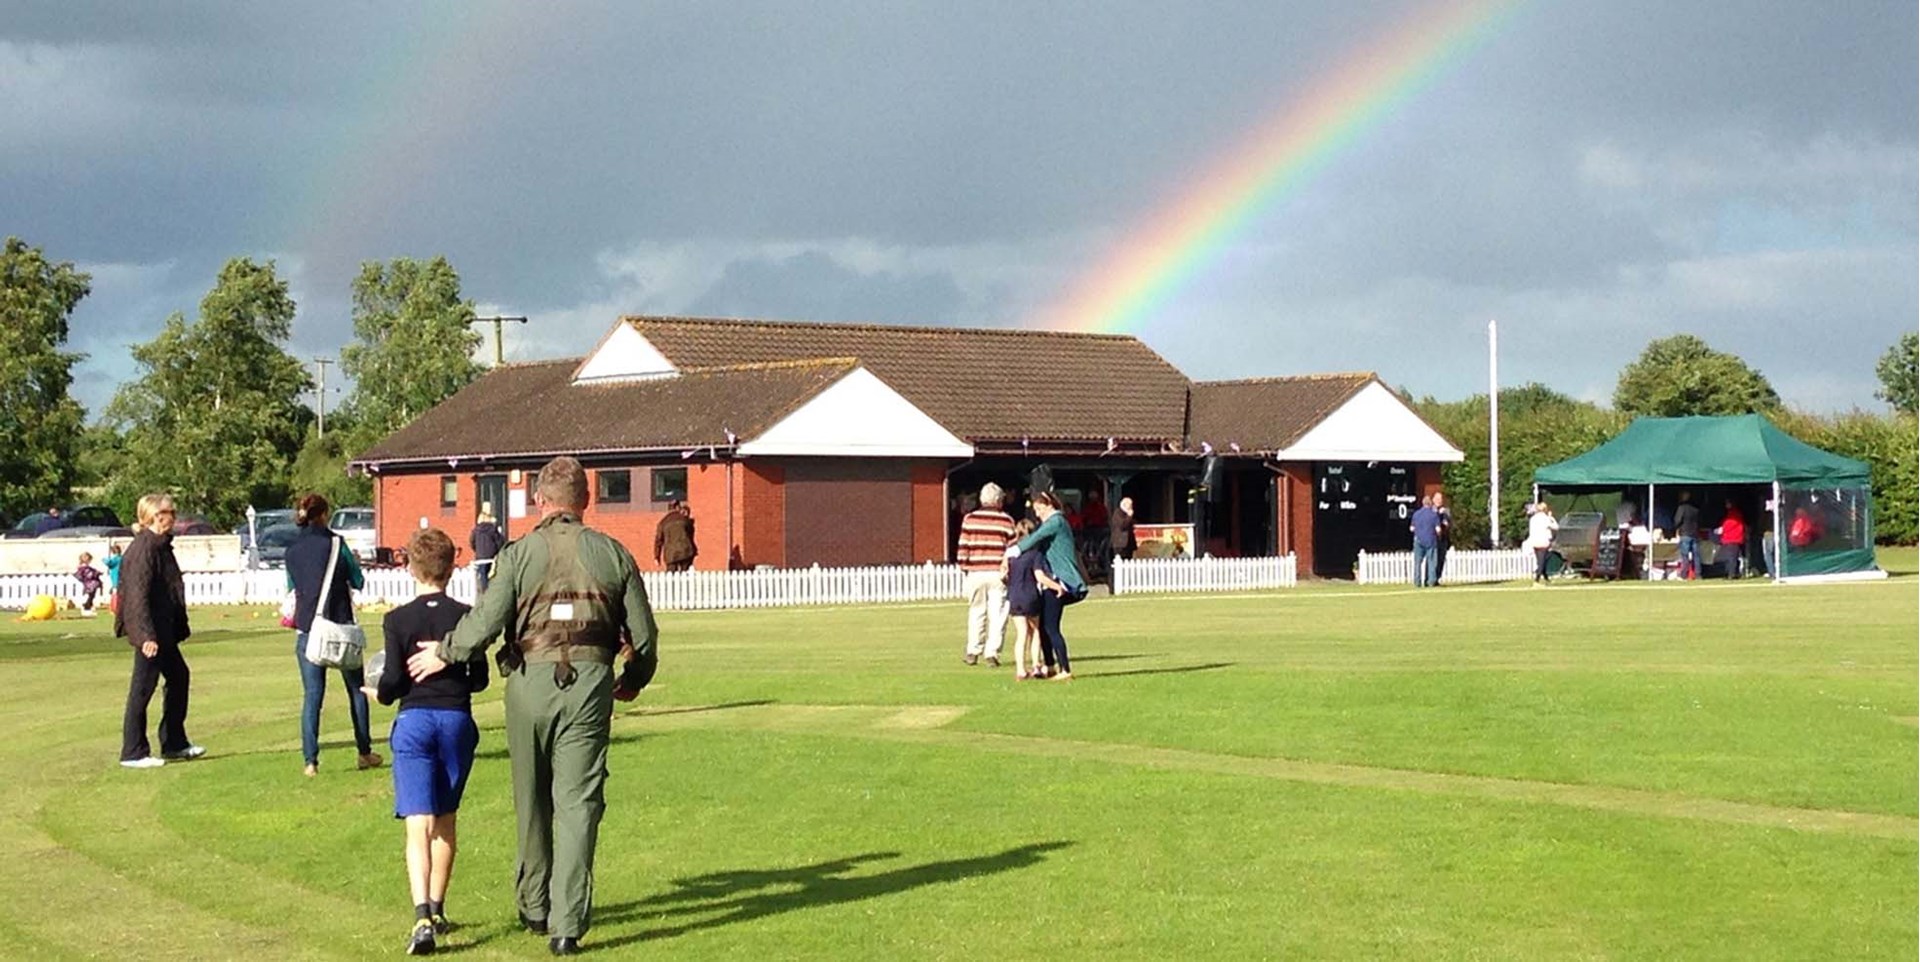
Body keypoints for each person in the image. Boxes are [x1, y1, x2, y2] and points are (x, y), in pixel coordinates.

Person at [407, 456, 658, 956]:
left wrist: (446, 651)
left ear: (540, 501)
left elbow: (486, 620)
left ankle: (534, 903)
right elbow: (645, 636)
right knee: (579, 802)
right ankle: (567, 924)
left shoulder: (519, 554)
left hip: (528, 681)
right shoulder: (614, 553)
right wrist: (632, 678)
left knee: (532, 797)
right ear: (585, 499)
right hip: (589, 683)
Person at [364, 528, 490, 956]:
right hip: (455, 717)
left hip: (415, 719)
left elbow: (395, 680)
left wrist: (379, 693)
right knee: (447, 819)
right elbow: (480, 680)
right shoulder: (467, 616)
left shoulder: (397, 620)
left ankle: (420, 916)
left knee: (418, 822)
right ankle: (438, 907)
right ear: (452, 567)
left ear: (409, 567)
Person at [286, 492, 382, 777]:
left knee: (313, 696)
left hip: (308, 629)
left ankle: (310, 761)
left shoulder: (291, 550)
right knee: (356, 691)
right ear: (324, 514)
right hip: (339, 626)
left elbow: (291, 585)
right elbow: (358, 580)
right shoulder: (336, 544)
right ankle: (364, 751)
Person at [116, 493, 204, 768]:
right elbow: (136, 596)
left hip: (163, 629)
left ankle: (174, 743)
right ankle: (133, 752)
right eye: (170, 512)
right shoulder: (144, 549)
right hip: (151, 633)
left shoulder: (161, 546)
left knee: (179, 677)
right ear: (155, 516)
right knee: (142, 689)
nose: (174, 517)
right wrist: (145, 636)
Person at [1009, 491, 1086, 681]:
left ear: (1048, 504)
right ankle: (1050, 666)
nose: (1037, 513)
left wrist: (1015, 549)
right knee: (1043, 625)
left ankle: (1065, 670)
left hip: (1062, 581)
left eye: (1038, 509)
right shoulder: (1053, 523)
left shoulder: (1056, 521)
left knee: (1051, 627)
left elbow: (1036, 537)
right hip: (1054, 581)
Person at [956, 483, 1016, 667]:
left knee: (976, 612)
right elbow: (1012, 550)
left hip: (976, 571)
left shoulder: (970, 519)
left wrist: (964, 566)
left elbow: (963, 546)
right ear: (998, 500)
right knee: (998, 614)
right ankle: (992, 653)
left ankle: (973, 651)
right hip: (998, 572)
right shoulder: (1006, 520)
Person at [1003, 518, 1052, 679]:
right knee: (1036, 631)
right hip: (1031, 595)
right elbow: (1040, 576)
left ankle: (1020, 670)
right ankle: (1036, 665)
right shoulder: (1035, 554)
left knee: (1021, 633)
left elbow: (1003, 574)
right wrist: (1056, 586)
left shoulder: (1010, 553)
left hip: (1015, 596)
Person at [470, 504, 505, 593]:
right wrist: (498, 551)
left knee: (482, 579)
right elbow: (500, 541)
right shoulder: (493, 529)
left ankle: (484, 593)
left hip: (480, 558)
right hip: (491, 557)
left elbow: (472, 542)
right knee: (492, 577)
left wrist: (477, 550)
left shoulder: (475, 530)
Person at [654, 500, 697, 572]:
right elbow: (691, 533)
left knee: (671, 577)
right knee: (685, 575)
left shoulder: (663, 522)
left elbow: (658, 541)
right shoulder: (684, 519)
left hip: (670, 555)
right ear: (677, 507)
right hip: (686, 551)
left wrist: (657, 556)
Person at [1409, 495, 1441, 588]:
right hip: (1431, 540)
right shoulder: (1433, 515)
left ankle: (1417, 582)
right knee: (1431, 562)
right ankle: (1431, 581)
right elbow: (1438, 529)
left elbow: (1411, 528)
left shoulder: (1416, 514)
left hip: (1418, 540)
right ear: (1430, 503)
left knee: (1417, 562)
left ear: (1422, 503)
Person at [1526, 501, 1559, 586]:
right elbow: (1556, 527)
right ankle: (1536, 581)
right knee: (1542, 562)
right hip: (1543, 542)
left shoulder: (1532, 519)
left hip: (1534, 542)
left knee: (1542, 561)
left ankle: (1546, 579)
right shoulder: (1545, 518)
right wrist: (1551, 517)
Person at [1673, 491, 1702, 580]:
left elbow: (1677, 520)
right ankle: (1698, 574)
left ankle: (1684, 574)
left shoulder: (1681, 508)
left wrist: (1676, 527)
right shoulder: (1695, 509)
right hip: (1694, 533)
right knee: (1696, 555)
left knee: (1685, 555)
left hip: (1685, 533)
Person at [1719, 499, 1746, 580]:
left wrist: (1721, 529)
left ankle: (1731, 574)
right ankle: (1732, 573)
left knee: (1731, 558)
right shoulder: (1734, 513)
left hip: (1732, 539)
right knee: (1732, 557)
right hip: (1734, 539)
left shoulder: (1733, 514)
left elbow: (1728, 525)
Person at [1431, 491, 1453, 583]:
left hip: (1443, 539)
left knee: (1441, 559)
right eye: (1437, 499)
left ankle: (1437, 577)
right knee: (1433, 559)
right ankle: (1431, 578)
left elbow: (1449, 523)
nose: (1439, 501)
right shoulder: (1430, 511)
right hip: (1433, 538)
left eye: (1440, 499)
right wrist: (1437, 514)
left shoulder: (1446, 511)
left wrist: (1445, 520)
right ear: (1433, 500)